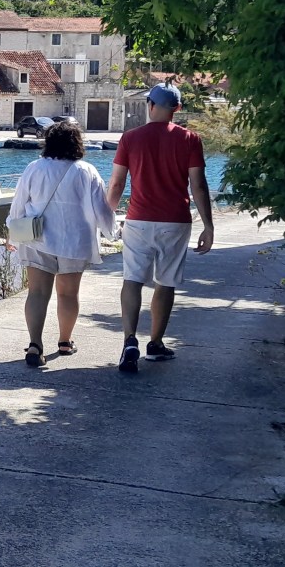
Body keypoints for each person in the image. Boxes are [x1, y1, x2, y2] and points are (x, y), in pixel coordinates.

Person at [106, 82, 212, 373]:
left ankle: (129, 339)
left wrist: (105, 216)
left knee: (133, 279)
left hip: (139, 219)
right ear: (176, 109)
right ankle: (155, 343)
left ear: (149, 105)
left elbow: (116, 183)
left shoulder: (130, 138)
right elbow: (199, 185)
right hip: (175, 221)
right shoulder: (190, 139)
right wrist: (208, 225)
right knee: (165, 282)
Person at [7, 122, 115, 367]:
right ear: (77, 143)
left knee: (36, 293)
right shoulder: (87, 171)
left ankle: (35, 344)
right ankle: (65, 342)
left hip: (38, 239)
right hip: (74, 242)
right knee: (68, 293)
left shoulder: (34, 168)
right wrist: (113, 233)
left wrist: (12, 233)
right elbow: (102, 210)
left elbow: (19, 205)